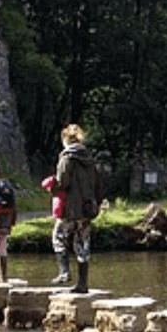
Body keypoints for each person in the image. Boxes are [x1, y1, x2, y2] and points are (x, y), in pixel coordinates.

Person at [55, 123, 102, 294]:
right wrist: (97, 203)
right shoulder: (90, 159)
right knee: (83, 243)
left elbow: (63, 182)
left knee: (58, 237)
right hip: (87, 207)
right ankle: (82, 284)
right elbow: (98, 183)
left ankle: (64, 272)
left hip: (70, 207)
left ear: (65, 139)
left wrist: (52, 186)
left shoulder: (66, 157)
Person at [41, 173, 69, 284]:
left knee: (57, 242)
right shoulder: (59, 195)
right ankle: (64, 272)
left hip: (63, 221)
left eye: (50, 188)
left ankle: (64, 273)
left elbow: (61, 213)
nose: (49, 191)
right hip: (62, 220)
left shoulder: (60, 196)